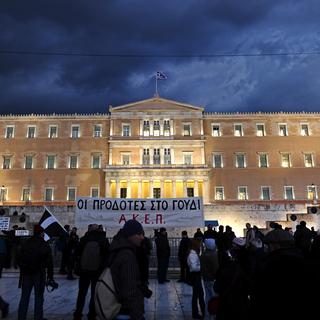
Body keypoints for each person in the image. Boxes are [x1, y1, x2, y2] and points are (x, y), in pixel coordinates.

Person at [108, 219, 147, 319]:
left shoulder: (118, 248)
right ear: (131, 235)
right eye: (139, 234)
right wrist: (138, 315)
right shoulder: (127, 255)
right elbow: (130, 290)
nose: (142, 237)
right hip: (127, 311)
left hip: (118, 307)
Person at [17, 224, 54, 320]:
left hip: (26, 274)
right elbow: (50, 262)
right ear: (41, 233)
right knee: (39, 298)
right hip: (39, 274)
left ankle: (21, 317)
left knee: (24, 297)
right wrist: (50, 277)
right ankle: (38, 318)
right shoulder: (44, 244)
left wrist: (24, 268)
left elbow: (19, 257)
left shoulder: (26, 242)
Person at [73, 224, 109, 320]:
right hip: (97, 271)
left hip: (84, 271)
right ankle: (92, 313)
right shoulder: (103, 240)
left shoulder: (84, 239)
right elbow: (107, 256)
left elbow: (77, 253)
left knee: (81, 293)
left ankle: (78, 312)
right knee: (94, 293)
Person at [200, 238, 219, 320]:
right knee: (214, 297)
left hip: (205, 278)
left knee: (207, 296)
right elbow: (216, 268)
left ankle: (207, 315)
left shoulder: (203, 254)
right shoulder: (214, 255)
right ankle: (213, 314)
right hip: (213, 279)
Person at [187, 238, 205, 319]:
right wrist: (202, 267)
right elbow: (194, 267)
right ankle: (196, 313)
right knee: (197, 295)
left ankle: (202, 311)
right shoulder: (192, 255)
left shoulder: (194, 253)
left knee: (199, 294)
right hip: (195, 276)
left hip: (196, 276)